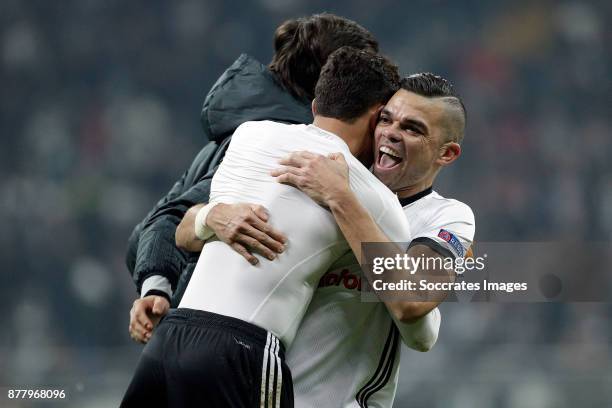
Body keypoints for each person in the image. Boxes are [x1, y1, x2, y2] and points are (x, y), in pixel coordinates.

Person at [121, 47, 410, 407]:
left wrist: (210, 217)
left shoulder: (248, 136)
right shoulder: (372, 196)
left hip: (170, 339)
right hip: (242, 351)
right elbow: (414, 307)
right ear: (375, 118)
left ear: (316, 106)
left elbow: (178, 230)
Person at [177, 73, 475, 407]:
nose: (390, 133)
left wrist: (340, 197)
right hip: (256, 390)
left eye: (412, 128)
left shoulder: (447, 217)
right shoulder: (314, 167)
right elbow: (184, 230)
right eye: (385, 119)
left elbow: (412, 300)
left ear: (446, 154)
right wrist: (210, 216)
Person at [125, 13, 380, 342]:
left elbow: (145, 235)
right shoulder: (284, 147)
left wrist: (156, 286)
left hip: (199, 342)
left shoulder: (253, 133)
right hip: (229, 344)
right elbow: (415, 310)